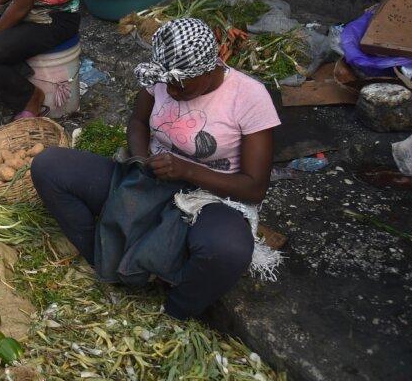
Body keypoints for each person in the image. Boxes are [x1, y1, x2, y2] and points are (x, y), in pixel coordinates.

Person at [32, 17, 280, 319]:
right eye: (166, 84)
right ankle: (103, 260)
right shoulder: (162, 79)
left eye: (180, 85)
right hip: (153, 175)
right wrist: (141, 160)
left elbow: (254, 187)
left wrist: (187, 171)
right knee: (49, 166)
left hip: (209, 197)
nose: (171, 91)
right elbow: (138, 122)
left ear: (208, 69)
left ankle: (175, 310)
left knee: (228, 250)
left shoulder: (249, 97)